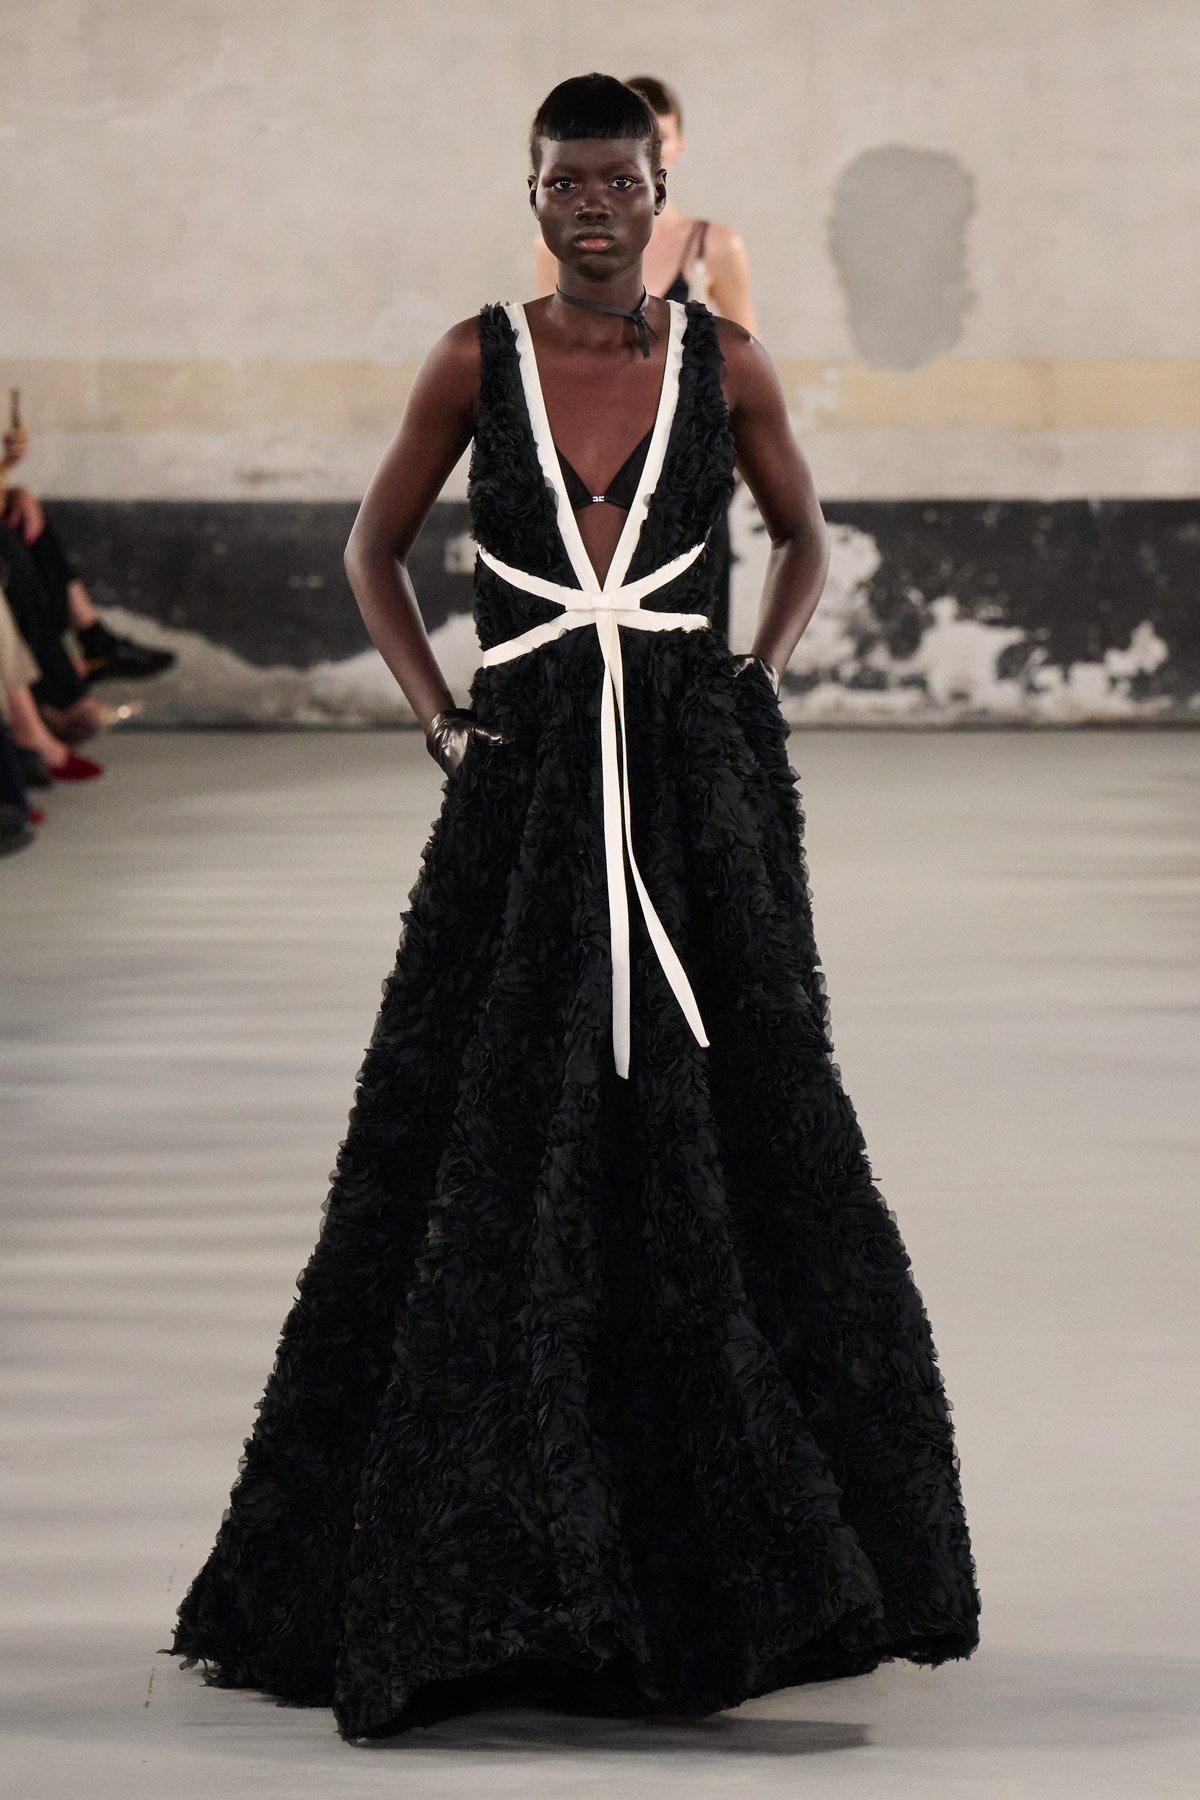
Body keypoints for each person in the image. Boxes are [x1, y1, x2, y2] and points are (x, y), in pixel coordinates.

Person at [167, 73, 980, 1745]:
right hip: (527, 789)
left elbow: (804, 538)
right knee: (485, 1130)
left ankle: (729, 1559)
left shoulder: (723, 362)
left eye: (618, 181)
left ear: (659, 190)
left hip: (686, 793)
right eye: (565, 184)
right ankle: (488, 1558)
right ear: (532, 195)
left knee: (721, 1124)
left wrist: (749, 683)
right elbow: (373, 553)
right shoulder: (473, 359)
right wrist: (439, 716)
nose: (592, 207)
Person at [534, 73, 756, 645]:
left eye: (658, 135)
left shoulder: (713, 244)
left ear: (670, 150)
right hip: (594, 466)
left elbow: (744, 361)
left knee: (691, 630)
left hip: (685, 464)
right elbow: (547, 353)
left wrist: (723, 464)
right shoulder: (560, 244)